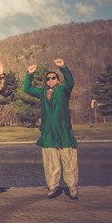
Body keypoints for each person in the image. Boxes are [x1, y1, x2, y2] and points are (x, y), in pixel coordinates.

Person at [24, 59, 78, 200]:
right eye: (48, 79)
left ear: (58, 80)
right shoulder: (42, 93)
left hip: (63, 131)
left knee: (69, 159)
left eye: (53, 78)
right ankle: (53, 186)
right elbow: (27, 89)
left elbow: (70, 82)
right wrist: (30, 74)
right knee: (51, 162)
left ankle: (72, 187)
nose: (50, 80)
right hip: (48, 133)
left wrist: (63, 67)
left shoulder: (63, 91)